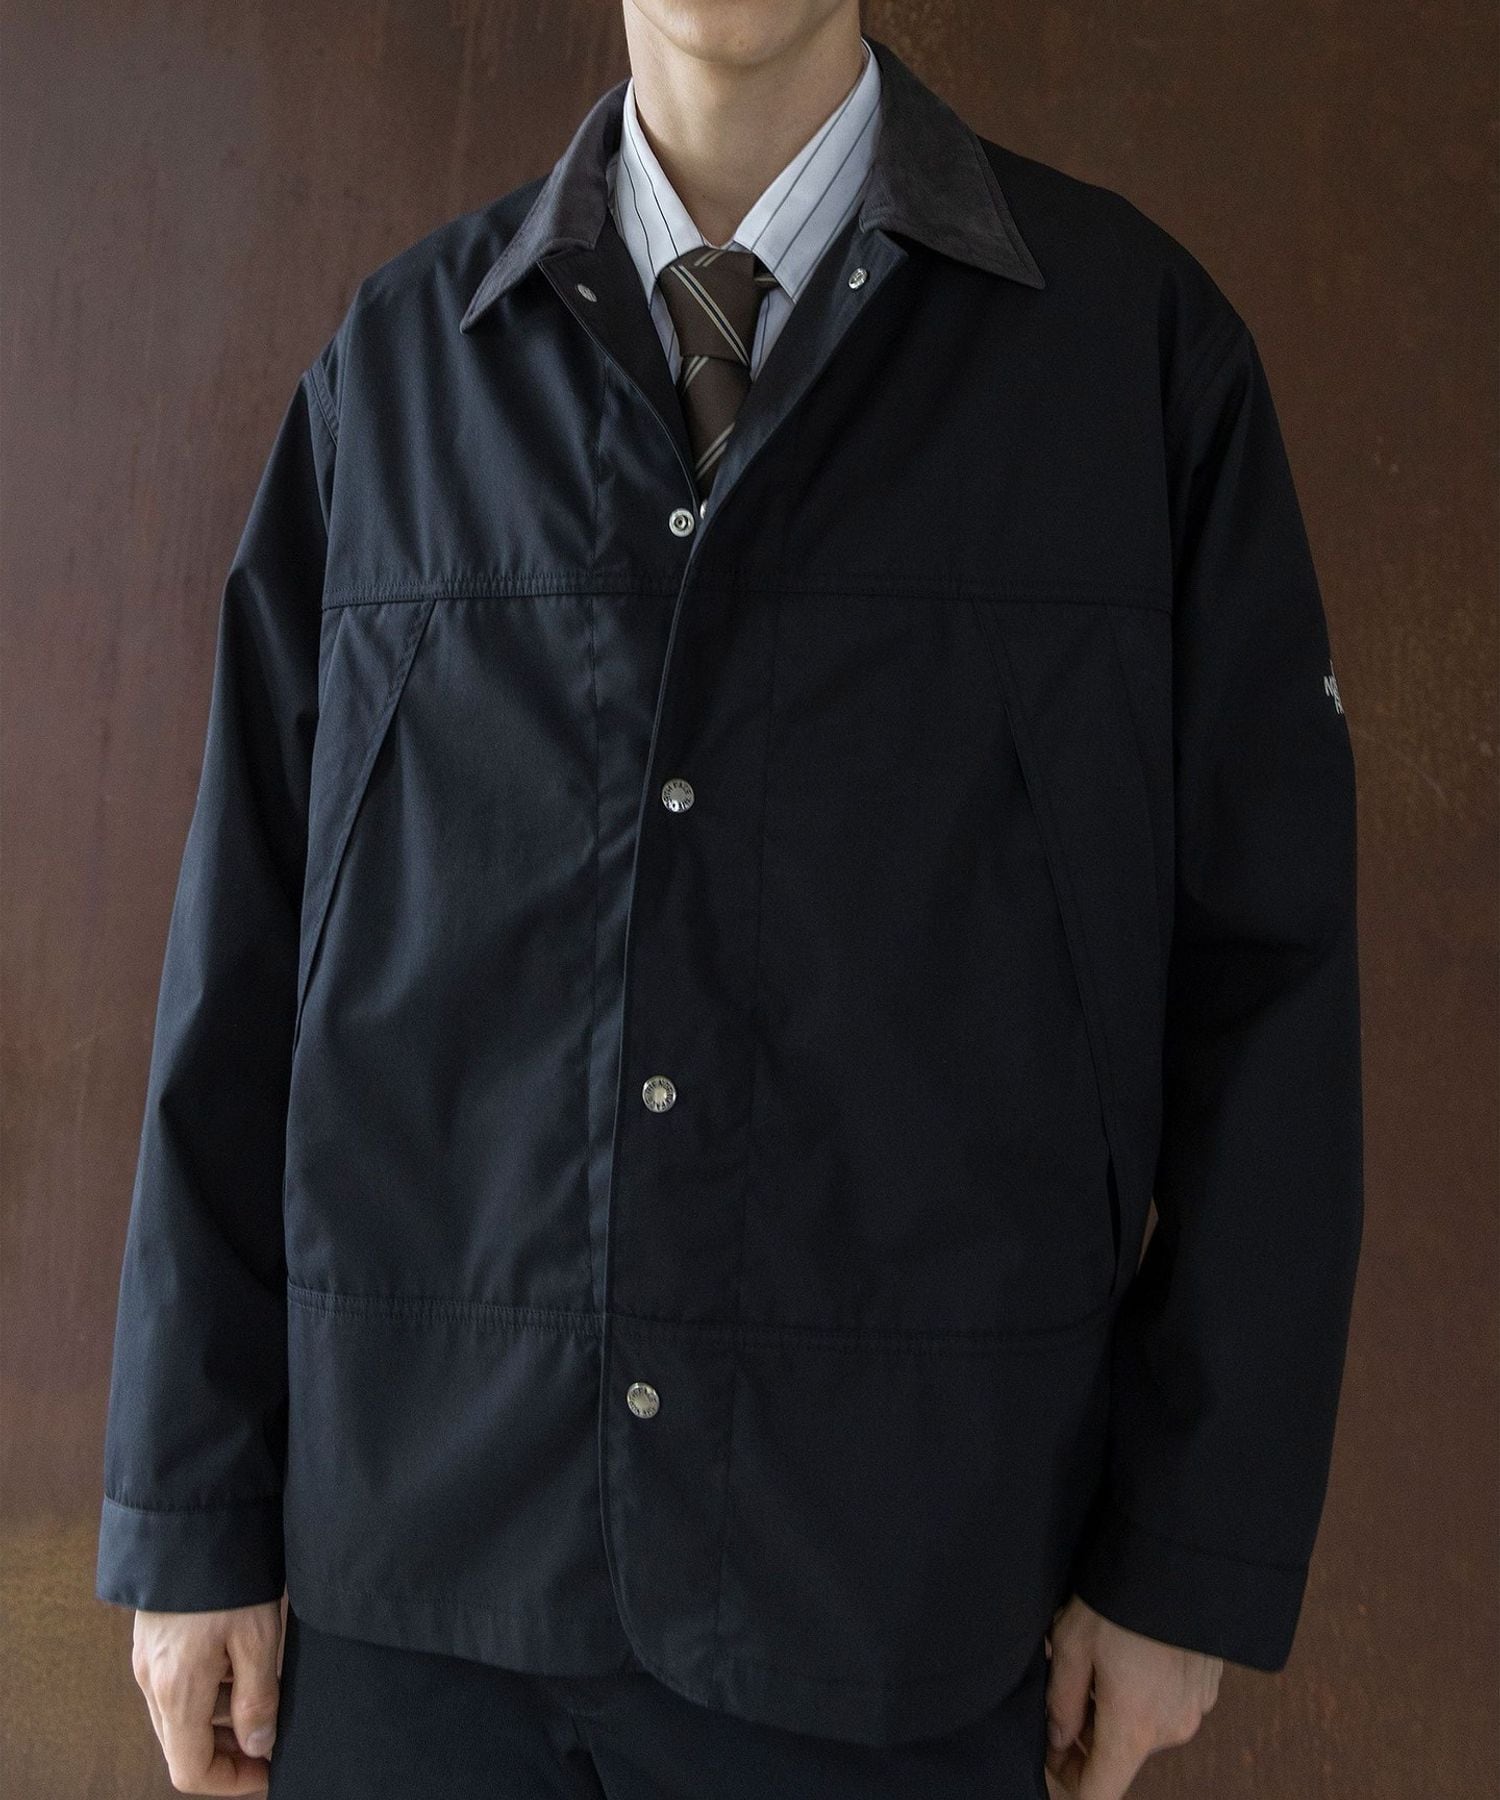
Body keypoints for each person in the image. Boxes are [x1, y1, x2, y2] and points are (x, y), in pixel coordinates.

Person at [96, 4, 1364, 1797]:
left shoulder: (1132, 361)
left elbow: (1271, 995)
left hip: (904, 1595)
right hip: (415, 1604)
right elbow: (238, 958)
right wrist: (188, 1508)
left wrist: (1185, 1557)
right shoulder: (402, 368)